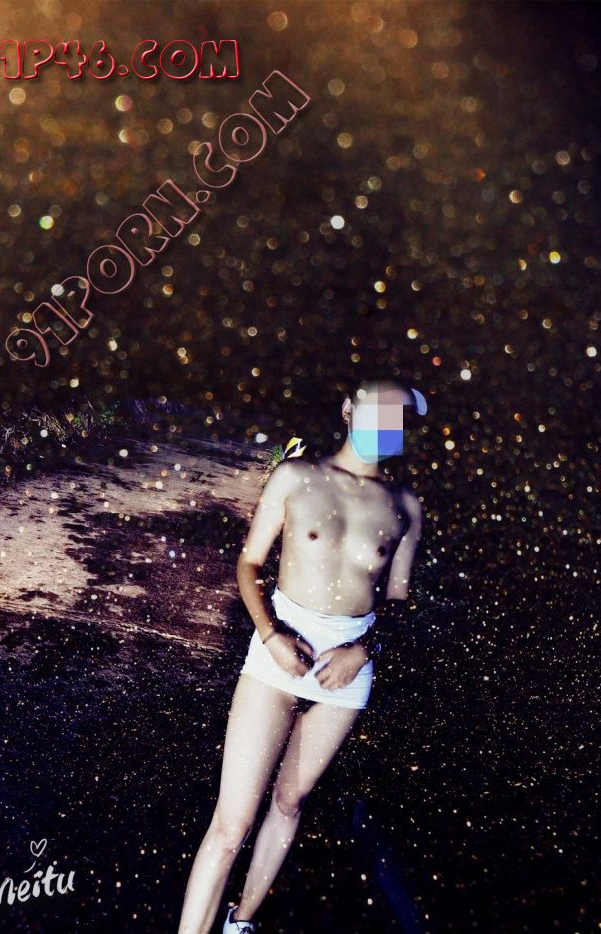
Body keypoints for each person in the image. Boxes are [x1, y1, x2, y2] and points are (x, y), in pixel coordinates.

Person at [177, 378, 425, 933]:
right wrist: (270, 635)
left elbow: (399, 601)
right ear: (348, 409)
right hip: (277, 654)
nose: (387, 425)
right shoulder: (297, 477)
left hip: (347, 673)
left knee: (289, 802)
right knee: (232, 823)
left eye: (398, 417)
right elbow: (248, 564)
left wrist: (363, 650)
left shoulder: (405, 505)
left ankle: (241, 922)